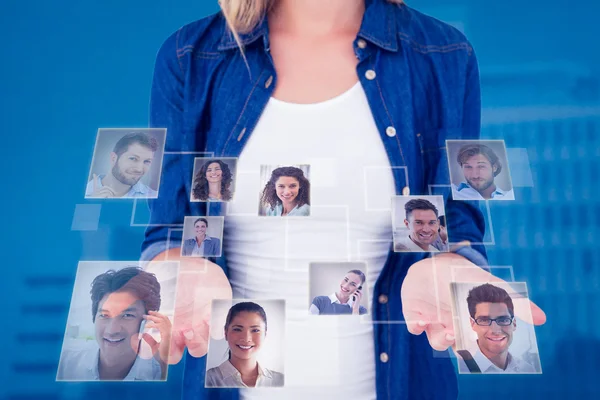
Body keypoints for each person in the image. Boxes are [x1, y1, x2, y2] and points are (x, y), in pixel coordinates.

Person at [142, 0, 547, 398]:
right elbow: (170, 225)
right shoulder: (190, 57)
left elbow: (455, 222)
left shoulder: (445, 55)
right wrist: (178, 272)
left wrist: (453, 266)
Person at [56, 267, 171, 381]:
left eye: (127, 316)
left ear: (147, 322)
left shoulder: (159, 374)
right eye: (104, 315)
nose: (112, 330)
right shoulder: (65, 365)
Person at [457, 283, 536, 373]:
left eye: (503, 320)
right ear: (473, 324)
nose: (495, 330)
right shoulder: (459, 367)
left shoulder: (527, 370)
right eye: (484, 320)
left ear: (514, 323)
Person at [206, 302, 284, 388]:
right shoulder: (209, 379)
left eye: (255, 330)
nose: (246, 338)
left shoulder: (279, 380)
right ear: (225, 333)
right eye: (237, 329)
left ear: (265, 334)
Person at [86, 132, 159, 198]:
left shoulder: (154, 197)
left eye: (147, 161)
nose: (139, 169)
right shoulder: (83, 192)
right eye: (133, 158)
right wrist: (92, 204)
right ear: (113, 158)